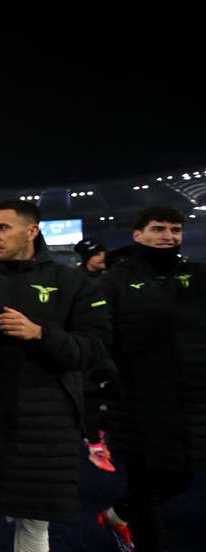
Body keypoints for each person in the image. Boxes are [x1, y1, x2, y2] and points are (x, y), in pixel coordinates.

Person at [0, 199, 112, 552]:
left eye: (2, 228)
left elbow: (96, 347)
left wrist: (42, 334)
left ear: (32, 231)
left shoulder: (71, 282)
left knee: (35, 517)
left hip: (47, 423)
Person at [96, 206, 205, 552]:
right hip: (135, 400)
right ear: (137, 234)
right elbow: (99, 339)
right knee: (144, 483)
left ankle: (119, 513)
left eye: (175, 229)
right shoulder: (114, 280)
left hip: (190, 398)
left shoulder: (197, 274)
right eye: (158, 229)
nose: (168, 236)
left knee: (181, 477)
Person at [72, 237, 115, 472]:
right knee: (91, 397)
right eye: (98, 254)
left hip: (110, 346)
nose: (103, 258)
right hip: (87, 347)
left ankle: (98, 437)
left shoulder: (111, 279)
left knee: (108, 396)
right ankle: (95, 447)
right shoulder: (76, 281)